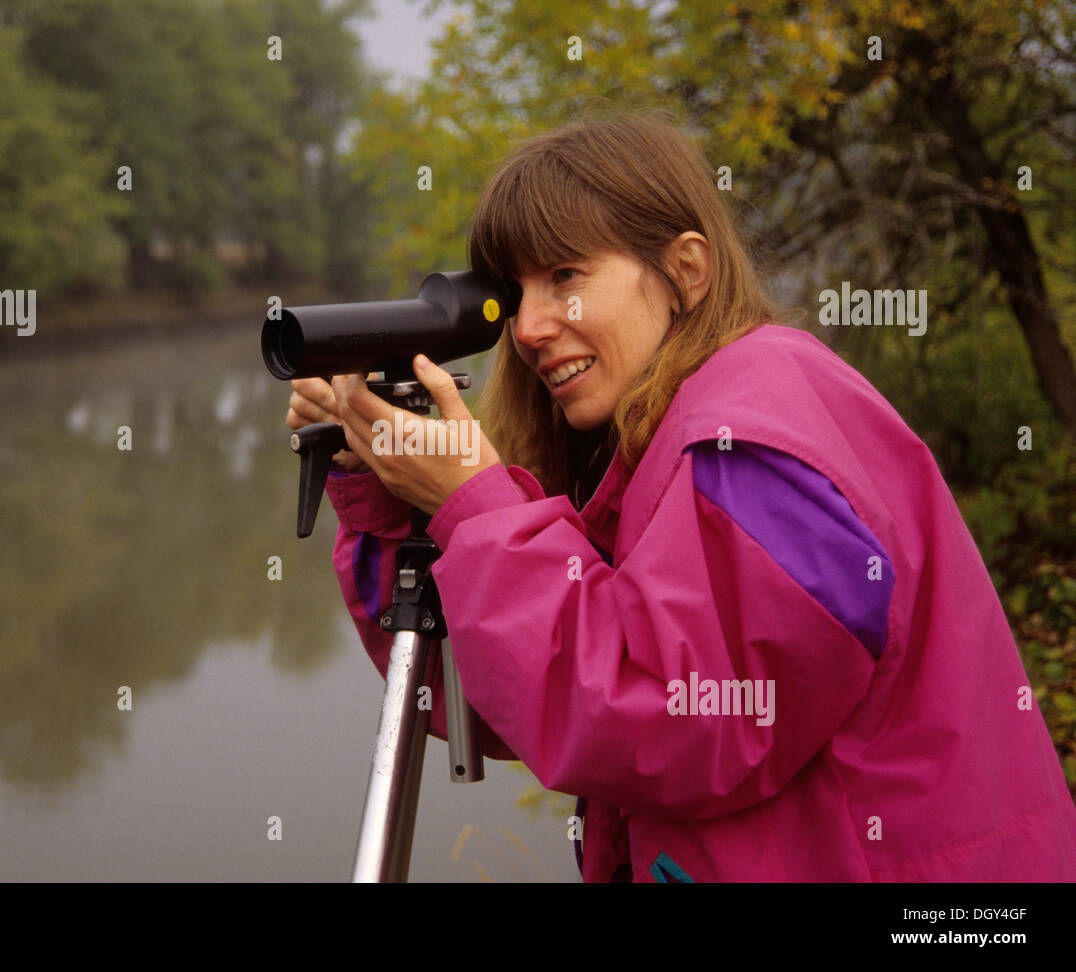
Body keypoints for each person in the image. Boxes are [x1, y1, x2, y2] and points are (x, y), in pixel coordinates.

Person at [285, 112, 1076, 882]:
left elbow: (674, 721)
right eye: (515, 290)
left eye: (565, 276)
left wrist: (479, 506)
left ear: (686, 270)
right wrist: (389, 492)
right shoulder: (659, 439)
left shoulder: (751, 442)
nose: (527, 328)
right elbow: (494, 701)